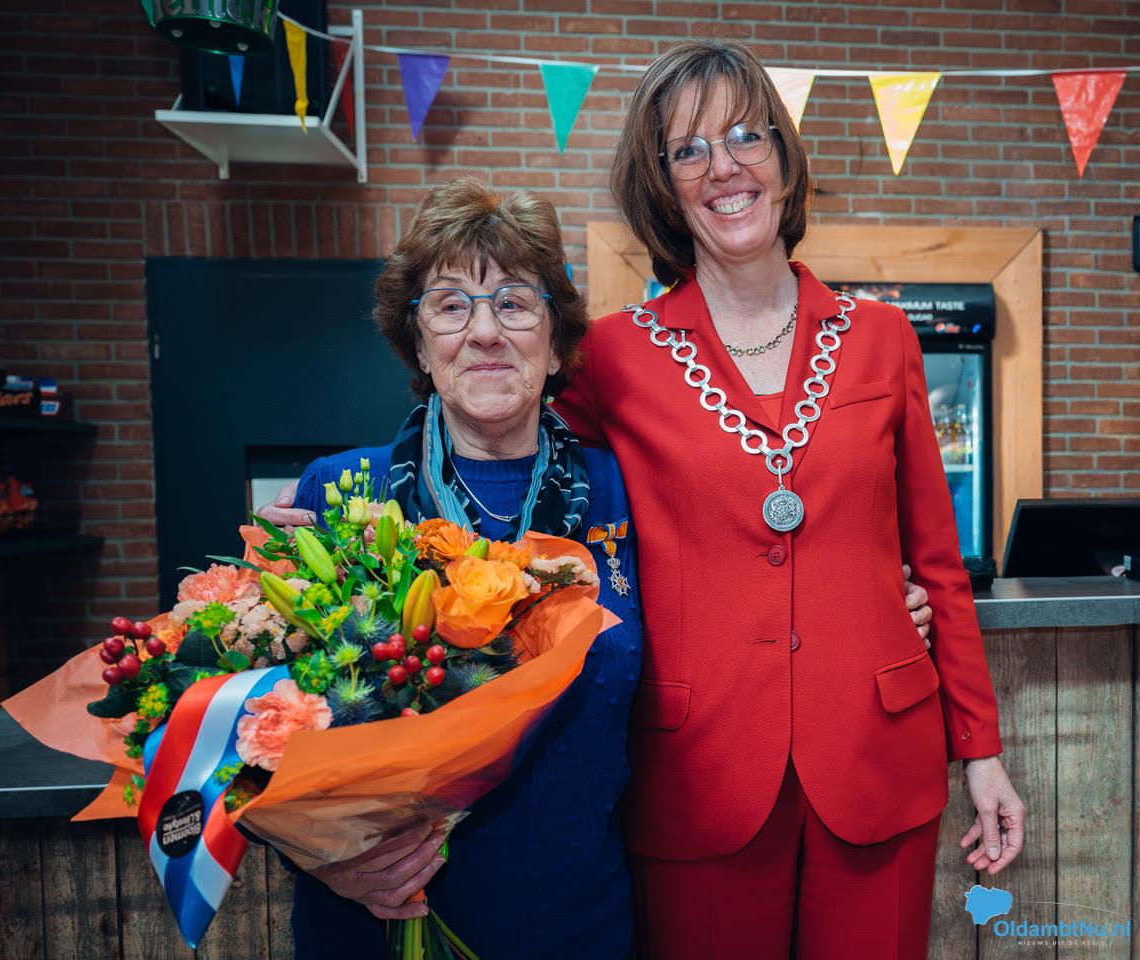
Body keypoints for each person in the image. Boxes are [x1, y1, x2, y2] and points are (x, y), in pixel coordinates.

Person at [258, 176, 935, 959]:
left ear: (556, 346)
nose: (485, 331)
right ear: (417, 342)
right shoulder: (342, 498)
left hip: (582, 927)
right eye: (450, 305)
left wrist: (869, 607)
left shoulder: (623, 490)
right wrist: (326, 861)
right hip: (381, 922)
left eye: (515, 303)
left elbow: (735, 580)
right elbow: (256, 731)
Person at [549, 38, 1025, 959]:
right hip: (698, 769)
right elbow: (513, 460)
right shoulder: (612, 357)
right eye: (688, 150)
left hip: (878, 757)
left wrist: (981, 749)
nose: (724, 168)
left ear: (783, 155)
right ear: (662, 184)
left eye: (745, 137)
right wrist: (369, 500)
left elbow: (938, 562)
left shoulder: (883, 338)